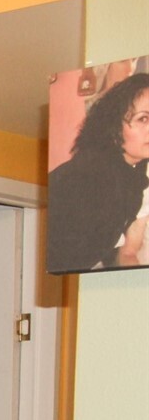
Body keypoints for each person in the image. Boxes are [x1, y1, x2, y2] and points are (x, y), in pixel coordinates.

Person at [47, 73, 149, 273]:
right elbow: (64, 258)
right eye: (143, 118)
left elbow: (113, 250)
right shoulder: (89, 177)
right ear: (113, 126)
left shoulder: (133, 177)